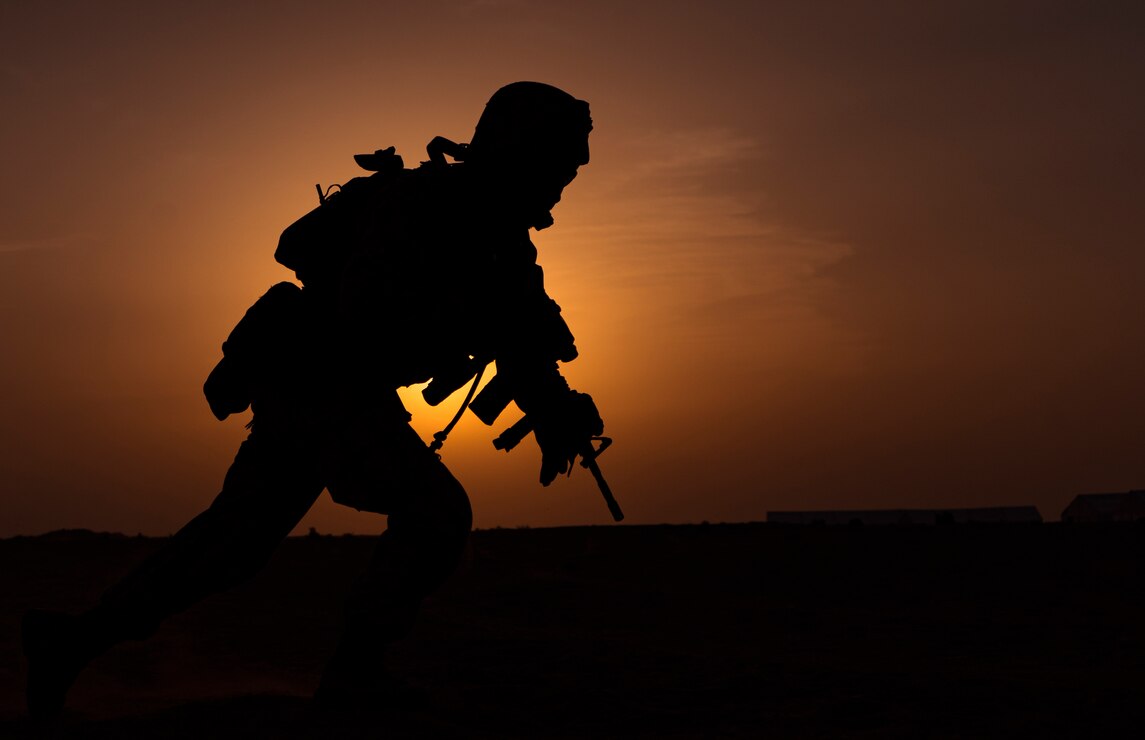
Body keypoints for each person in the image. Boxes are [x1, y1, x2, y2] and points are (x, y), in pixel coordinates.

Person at [22, 81, 606, 718]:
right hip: (324, 379)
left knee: (233, 545)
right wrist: (466, 320)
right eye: (558, 163)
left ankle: (71, 643)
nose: (563, 182)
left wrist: (555, 409)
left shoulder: (504, 245)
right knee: (434, 515)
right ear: (519, 149)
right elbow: (365, 310)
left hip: (329, 390)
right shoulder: (424, 204)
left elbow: (524, 342)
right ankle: (355, 676)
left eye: (570, 169)